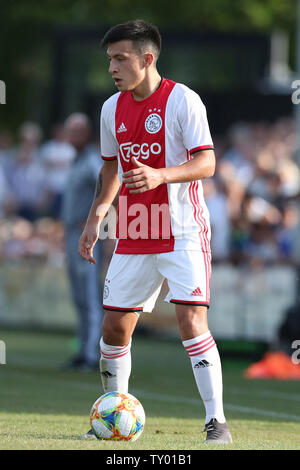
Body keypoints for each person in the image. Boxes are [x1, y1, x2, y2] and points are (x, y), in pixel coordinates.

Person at [78, 20, 231, 444]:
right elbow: (111, 167)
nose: (112, 66)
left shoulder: (184, 101)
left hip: (182, 230)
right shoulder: (111, 108)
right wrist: (97, 218)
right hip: (133, 230)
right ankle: (114, 414)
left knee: (190, 319)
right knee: (114, 328)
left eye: (120, 58)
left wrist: (161, 175)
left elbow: (207, 163)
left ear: (147, 59)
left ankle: (215, 421)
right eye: (109, 59)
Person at [61, 113, 103, 371]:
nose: (72, 137)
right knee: (79, 296)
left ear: (86, 134)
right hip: (70, 234)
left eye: (77, 132)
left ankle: (90, 354)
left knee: (89, 295)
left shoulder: (90, 161)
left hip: (86, 236)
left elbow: (107, 187)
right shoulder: (76, 161)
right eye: (70, 131)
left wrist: (93, 220)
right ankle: (83, 349)